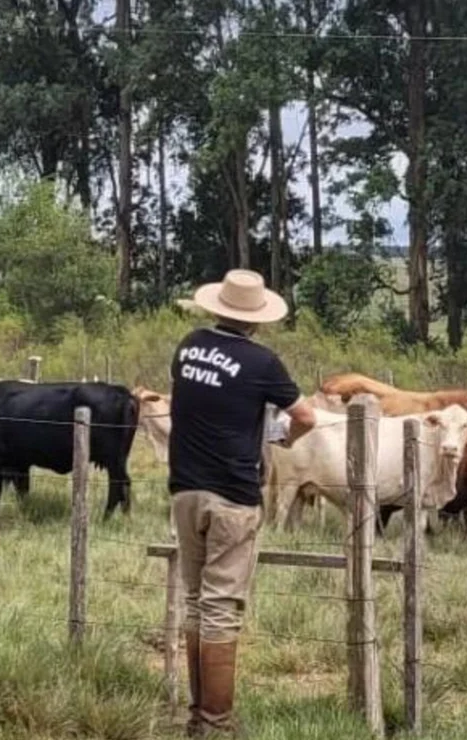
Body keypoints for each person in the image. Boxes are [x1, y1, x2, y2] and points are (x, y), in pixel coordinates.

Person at [169, 268, 316, 737]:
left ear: (217, 307)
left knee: (195, 601)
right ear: (257, 318)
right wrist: (285, 438)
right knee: (220, 607)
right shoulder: (262, 362)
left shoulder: (188, 347)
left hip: (185, 489)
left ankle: (197, 716)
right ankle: (217, 724)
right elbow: (306, 415)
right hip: (232, 494)